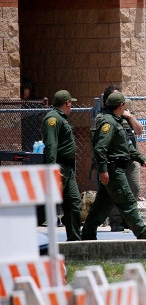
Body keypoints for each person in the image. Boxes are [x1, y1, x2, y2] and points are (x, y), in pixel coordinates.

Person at [81, 92, 146, 240]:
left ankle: (87, 233)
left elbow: (126, 147)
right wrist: (103, 171)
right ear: (121, 106)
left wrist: (141, 159)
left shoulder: (115, 121)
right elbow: (100, 149)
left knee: (102, 205)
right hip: (113, 170)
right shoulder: (109, 123)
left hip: (115, 168)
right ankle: (142, 232)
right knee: (128, 200)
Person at [94, 85, 144, 232]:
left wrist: (129, 116)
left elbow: (139, 130)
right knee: (115, 192)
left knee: (134, 188)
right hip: (115, 161)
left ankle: (128, 219)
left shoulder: (127, 115)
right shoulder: (104, 118)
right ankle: (116, 221)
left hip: (130, 159)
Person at [42, 90, 82, 241]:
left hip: (67, 169)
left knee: (74, 203)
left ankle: (74, 239)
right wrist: (52, 169)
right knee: (45, 205)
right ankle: (23, 233)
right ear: (67, 103)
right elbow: (51, 145)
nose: (71, 106)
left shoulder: (60, 118)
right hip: (58, 167)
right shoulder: (53, 119)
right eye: (71, 103)